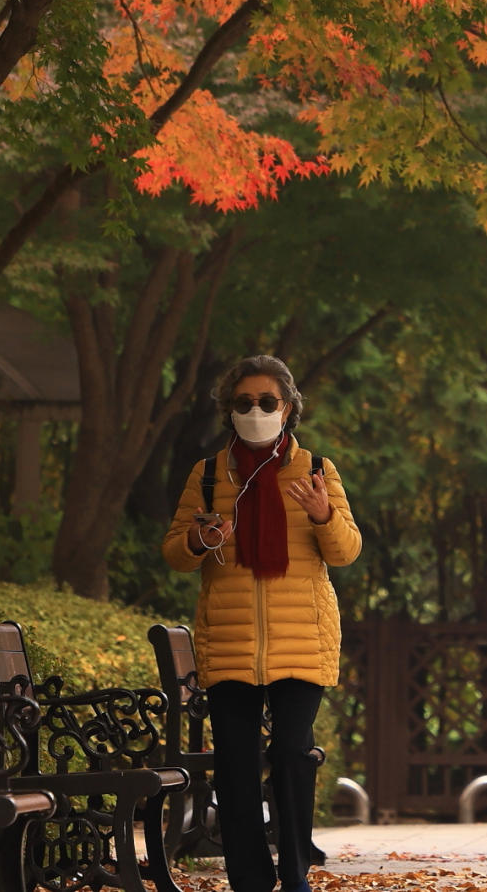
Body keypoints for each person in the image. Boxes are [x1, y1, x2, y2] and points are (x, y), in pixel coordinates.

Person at [163, 356, 361, 892]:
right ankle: (250, 881)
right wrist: (202, 540)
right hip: (229, 642)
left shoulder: (318, 469)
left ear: (288, 408)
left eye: (267, 402)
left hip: (301, 639)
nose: (256, 411)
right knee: (234, 764)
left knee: (293, 754)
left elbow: (346, 551)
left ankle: (295, 874)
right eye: (244, 402)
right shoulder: (207, 475)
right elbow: (176, 552)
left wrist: (323, 515)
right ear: (229, 411)